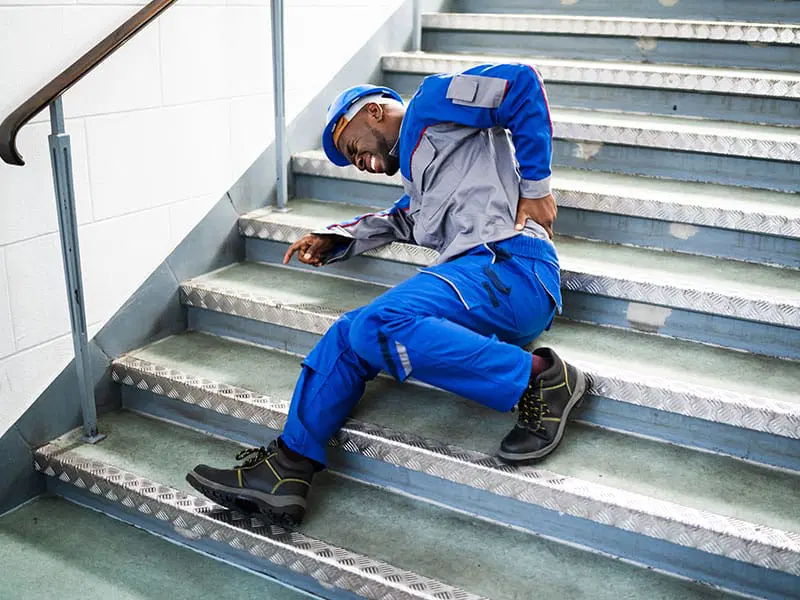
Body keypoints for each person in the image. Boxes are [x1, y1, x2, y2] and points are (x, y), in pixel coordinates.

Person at [187, 64, 588, 525]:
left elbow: (520, 84)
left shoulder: (431, 103)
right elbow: (400, 219)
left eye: (351, 147)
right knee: (347, 334)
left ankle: (540, 378)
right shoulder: (419, 183)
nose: (357, 162)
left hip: (513, 265)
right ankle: (287, 469)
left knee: (379, 322)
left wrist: (536, 188)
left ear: (373, 112)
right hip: (478, 283)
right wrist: (337, 237)